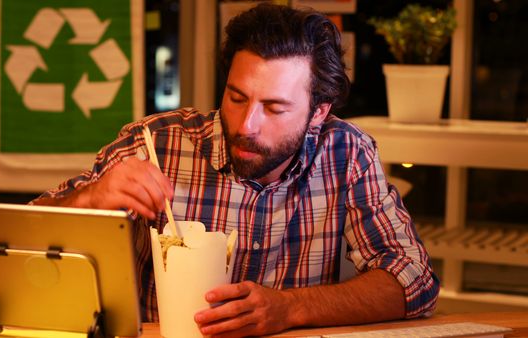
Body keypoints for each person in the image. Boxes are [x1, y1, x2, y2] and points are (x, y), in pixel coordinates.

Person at [32, 3, 439, 337]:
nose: (246, 126)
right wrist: (89, 199)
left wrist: (290, 308)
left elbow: (414, 281)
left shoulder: (345, 153)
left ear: (319, 112)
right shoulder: (155, 143)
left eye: (275, 108)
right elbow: (21, 246)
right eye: (236, 97)